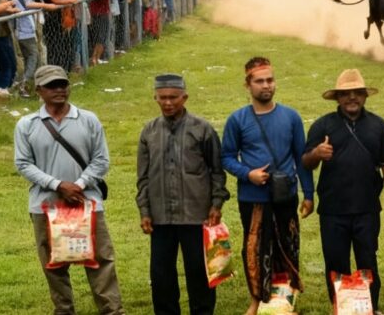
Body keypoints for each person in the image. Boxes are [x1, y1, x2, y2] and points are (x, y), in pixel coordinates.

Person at [13, 65, 125, 314]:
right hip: (45, 205)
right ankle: (63, 310)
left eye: (63, 84)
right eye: (52, 85)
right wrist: (57, 185)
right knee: (53, 264)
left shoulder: (88, 119)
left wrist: (81, 184)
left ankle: (112, 310)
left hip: (87, 202)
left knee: (100, 260)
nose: (60, 90)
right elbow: (22, 163)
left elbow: (101, 160)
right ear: (38, 90)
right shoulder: (26, 125)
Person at [220, 57, 314, 315]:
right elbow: (226, 156)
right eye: (259, 81)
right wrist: (247, 174)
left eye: (270, 80)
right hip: (253, 196)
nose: (266, 86)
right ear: (247, 85)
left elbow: (301, 157)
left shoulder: (291, 117)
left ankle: (285, 302)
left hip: (286, 195)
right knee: (256, 248)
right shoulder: (237, 120)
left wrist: (309, 193)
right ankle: (256, 300)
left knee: (287, 245)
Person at [303, 69, 384, 312]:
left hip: (367, 209)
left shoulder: (378, 125)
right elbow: (305, 162)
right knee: (336, 264)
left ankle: (371, 308)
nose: (352, 98)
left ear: (365, 96)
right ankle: (340, 308)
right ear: (337, 98)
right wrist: (317, 153)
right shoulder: (323, 125)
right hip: (333, 210)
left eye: (357, 93)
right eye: (346, 94)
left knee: (368, 261)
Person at [136, 74, 229, 315]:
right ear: (155, 98)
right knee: (161, 275)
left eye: (173, 98)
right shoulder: (149, 132)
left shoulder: (202, 129)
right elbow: (143, 177)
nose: (168, 103)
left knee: (199, 272)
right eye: (162, 98)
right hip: (160, 217)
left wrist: (216, 204)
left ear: (184, 97)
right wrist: (145, 211)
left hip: (196, 215)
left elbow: (217, 172)